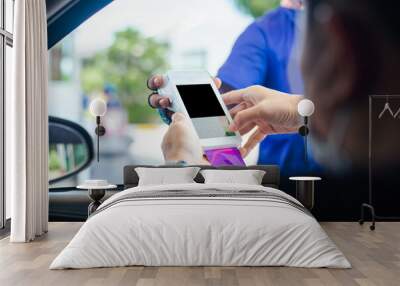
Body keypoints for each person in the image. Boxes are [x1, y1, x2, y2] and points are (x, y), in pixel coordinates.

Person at [158, 0, 400, 220]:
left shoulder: (265, 29)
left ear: (343, 51)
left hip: (290, 200)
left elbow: (203, 241)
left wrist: (182, 166)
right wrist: (303, 112)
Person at [149, 0, 321, 177]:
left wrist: (181, 158)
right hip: (290, 185)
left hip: (294, 185)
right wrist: (186, 104)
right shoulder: (266, 30)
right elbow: (231, 100)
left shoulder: (267, 30)